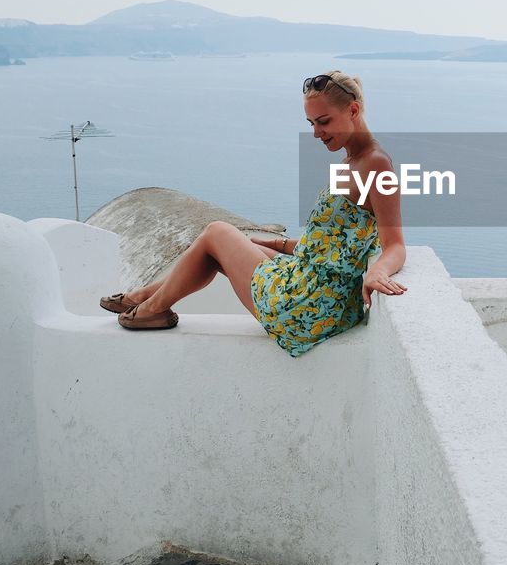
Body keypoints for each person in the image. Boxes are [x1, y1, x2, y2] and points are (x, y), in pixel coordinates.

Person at [97, 70, 407, 357]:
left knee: (217, 232)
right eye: (311, 124)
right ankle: (147, 299)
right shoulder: (351, 162)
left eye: (323, 121)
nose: (316, 133)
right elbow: (335, 241)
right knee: (217, 248)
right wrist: (279, 245)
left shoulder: (376, 164)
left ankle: (151, 307)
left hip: (313, 306)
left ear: (353, 110)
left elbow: (394, 244)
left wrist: (378, 271)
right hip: (316, 287)